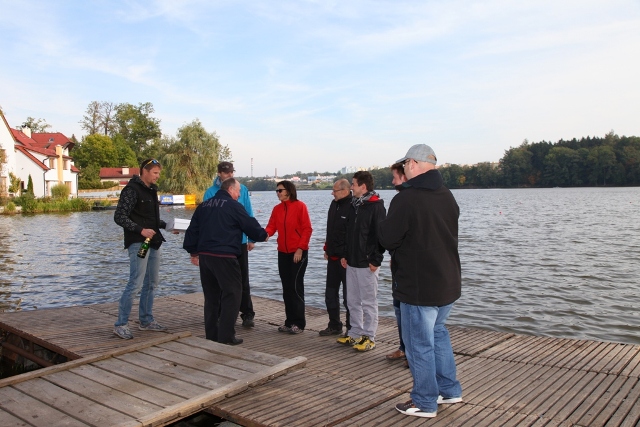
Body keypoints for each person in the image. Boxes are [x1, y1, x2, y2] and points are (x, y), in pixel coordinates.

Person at [378, 144, 463, 418]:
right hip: (448, 281)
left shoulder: (407, 198)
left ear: (413, 164)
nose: (404, 169)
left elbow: (388, 239)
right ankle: (449, 390)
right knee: (437, 333)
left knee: (418, 344)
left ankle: (425, 401)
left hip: (418, 286)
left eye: (405, 165)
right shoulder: (447, 195)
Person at [183, 178, 268, 345]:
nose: (239, 195)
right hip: (225, 256)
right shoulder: (233, 206)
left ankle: (212, 335)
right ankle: (226, 336)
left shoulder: (203, 206)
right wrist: (262, 235)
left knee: (211, 298)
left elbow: (192, 230)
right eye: (238, 191)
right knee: (233, 294)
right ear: (230, 189)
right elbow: (249, 224)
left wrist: (193, 251)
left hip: (205, 257)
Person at [113, 158, 169, 340]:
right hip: (139, 242)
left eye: (158, 173)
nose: (157, 176)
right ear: (145, 171)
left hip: (154, 242)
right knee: (135, 283)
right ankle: (121, 324)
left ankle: (146, 320)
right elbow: (119, 216)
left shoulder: (151, 190)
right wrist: (140, 230)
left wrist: (168, 226)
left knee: (152, 283)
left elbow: (151, 219)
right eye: (155, 173)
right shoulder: (131, 190)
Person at [203, 161, 256, 328]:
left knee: (243, 279)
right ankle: (220, 314)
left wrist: (251, 238)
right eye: (226, 173)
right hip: (220, 244)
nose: (230, 175)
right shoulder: (210, 192)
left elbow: (248, 213)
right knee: (220, 280)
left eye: (232, 172)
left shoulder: (242, 189)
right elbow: (206, 218)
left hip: (239, 241)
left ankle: (247, 313)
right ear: (219, 173)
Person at [337, 171, 386, 351]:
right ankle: (355, 332)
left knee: (369, 302)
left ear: (363, 186)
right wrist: (345, 254)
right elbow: (347, 232)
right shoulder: (354, 205)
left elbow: (381, 236)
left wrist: (376, 260)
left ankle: (369, 337)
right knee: (352, 301)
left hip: (367, 263)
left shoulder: (376, 206)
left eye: (353, 184)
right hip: (352, 261)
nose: (351, 187)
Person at [265, 180, 313, 334]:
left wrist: (300, 248)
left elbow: (307, 229)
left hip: (298, 252)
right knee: (286, 288)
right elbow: (271, 226)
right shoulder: (277, 209)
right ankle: (289, 321)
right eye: (277, 191)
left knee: (295, 286)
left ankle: (299, 323)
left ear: (289, 191)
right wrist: (264, 234)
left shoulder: (300, 206)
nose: (278, 193)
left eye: (280, 190)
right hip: (283, 252)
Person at [319, 178, 352, 336]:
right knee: (330, 294)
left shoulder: (353, 206)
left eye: (335, 191)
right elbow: (330, 229)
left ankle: (351, 328)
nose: (332, 193)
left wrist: (346, 255)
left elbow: (351, 234)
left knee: (348, 296)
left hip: (345, 260)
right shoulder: (334, 204)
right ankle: (334, 324)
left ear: (345, 191)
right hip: (332, 257)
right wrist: (327, 248)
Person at [386, 162, 408, 362]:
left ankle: (413, 353)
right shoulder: (400, 200)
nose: (393, 182)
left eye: (395, 177)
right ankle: (404, 347)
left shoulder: (405, 201)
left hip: (409, 269)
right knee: (399, 309)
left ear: (405, 176)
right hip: (399, 264)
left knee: (409, 313)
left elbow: (390, 236)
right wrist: (393, 255)